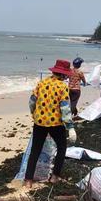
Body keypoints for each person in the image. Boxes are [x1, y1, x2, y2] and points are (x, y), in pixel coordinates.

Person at [24, 59, 76, 188]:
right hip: (56, 124)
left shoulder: (41, 83)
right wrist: (70, 127)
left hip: (39, 122)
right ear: (64, 75)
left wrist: (34, 114)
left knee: (35, 150)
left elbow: (32, 101)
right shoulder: (63, 87)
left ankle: (28, 180)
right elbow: (64, 108)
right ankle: (54, 176)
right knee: (62, 148)